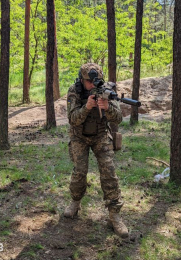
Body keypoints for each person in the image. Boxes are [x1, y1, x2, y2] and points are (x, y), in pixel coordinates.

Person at [64, 63, 128, 238]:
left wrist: (107, 107)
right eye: (89, 82)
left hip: (100, 135)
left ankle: (114, 214)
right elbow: (72, 119)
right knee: (80, 171)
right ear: (82, 80)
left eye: (96, 81)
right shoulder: (74, 91)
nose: (93, 85)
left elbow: (119, 118)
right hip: (79, 136)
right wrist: (87, 107)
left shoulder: (106, 90)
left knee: (109, 172)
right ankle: (75, 202)